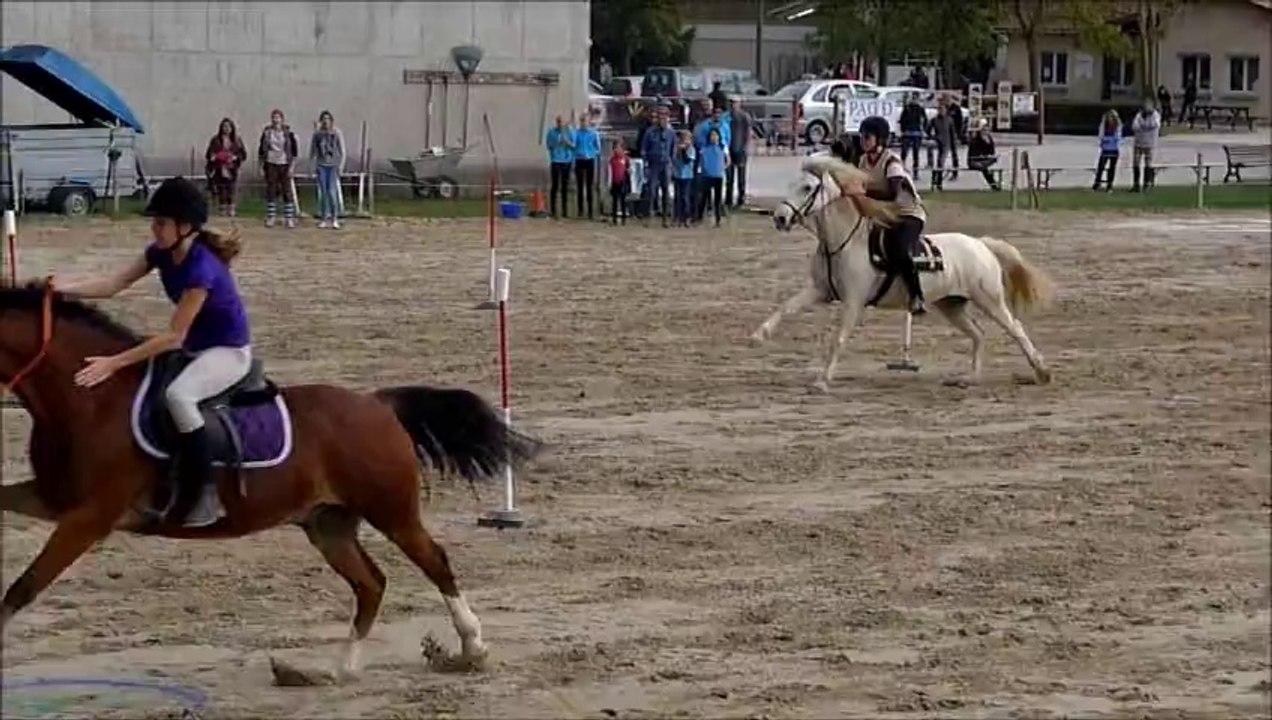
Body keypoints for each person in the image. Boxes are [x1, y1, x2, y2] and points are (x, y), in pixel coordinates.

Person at [58, 176, 252, 528]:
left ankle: (204, 493)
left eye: (161, 222)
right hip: (195, 348)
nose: (154, 228)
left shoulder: (202, 269)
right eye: (155, 221)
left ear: (185, 227)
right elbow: (112, 285)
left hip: (227, 353)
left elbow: (173, 336)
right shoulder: (159, 253)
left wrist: (113, 363)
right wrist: (60, 291)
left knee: (179, 397)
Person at [843, 116, 928, 315]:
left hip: (909, 215)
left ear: (880, 139)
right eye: (862, 136)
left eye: (867, 137)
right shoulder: (863, 160)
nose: (863, 140)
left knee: (899, 249)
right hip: (885, 215)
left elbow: (892, 193)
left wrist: (861, 192)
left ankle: (916, 295)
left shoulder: (892, 162)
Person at [257, 109, 300, 229]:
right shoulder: (267, 133)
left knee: (286, 190)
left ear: (282, 119)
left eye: (278, 117)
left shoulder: (289, 134)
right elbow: (261, 151)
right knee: (271, 190)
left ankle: (289, 218)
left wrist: (292, 167)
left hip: (284, 163)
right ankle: (271, 217)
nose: (276, 120)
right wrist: (261, 167)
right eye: (274, 117)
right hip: (271, 163)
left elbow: (294, 152)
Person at [309, 110, 346, 229]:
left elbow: (342, 151)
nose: (326, 121)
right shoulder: (318, 134)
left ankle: (335, 218)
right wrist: (312, 166)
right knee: (323, 193)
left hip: (333, 166)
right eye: (323, 119)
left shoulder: (336, 133)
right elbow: (313, 151)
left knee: (332, 192)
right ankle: (324, 217)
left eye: (328, 119)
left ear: (331, 121)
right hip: (321, 165)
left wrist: (341, 166)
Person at [639, 108, 676, 227]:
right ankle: (649, 217)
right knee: (651, 191)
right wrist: (645, 163)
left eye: (664, 116)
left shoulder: (671, 133)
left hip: (666, 164)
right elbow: (644, 149)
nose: (662, 118)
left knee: (666, 192)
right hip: (653, 165)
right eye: (660, 116)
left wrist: (672, 163)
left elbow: (673, 149)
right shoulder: (650, 132)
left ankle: (665, 218)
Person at [204, 118, 247, 218]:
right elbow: (209, 154)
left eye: (228, 127)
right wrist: (214, 157)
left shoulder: (237, 140)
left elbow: (243, 154)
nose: (226, 129)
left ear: (232, 128)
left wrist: (235, 157)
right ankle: (222, 208)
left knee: (231, 188)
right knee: (221, 188)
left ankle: (231, 208)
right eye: (224, 126)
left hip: (231, 168)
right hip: (219, 168)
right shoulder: (215, 140)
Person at [545, 114, 576, 219]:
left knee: (564, 186)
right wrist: (558, 141)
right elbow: (549, 145)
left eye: (561, 122)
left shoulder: (570, 132)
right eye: (558, 121)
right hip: (556, 161)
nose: (560, 124)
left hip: (566, 161)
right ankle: (553, 210)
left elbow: (574, 146)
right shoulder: (552, 132)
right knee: (555, 186)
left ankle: (564, 210)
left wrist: (567, 142)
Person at [725, 97, 754, 208]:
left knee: (741, 176)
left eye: (735, 103)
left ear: (739, 104)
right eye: (731, 103)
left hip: (740, 148)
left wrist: (746, 146)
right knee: (729, 176)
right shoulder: (726, 117)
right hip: (729, 148)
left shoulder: (745, 116)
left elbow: (749, 132)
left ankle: (741, 198)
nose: (733, 105)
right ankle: (728, 199)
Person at [698, 128, 730, 228]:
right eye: (712, 135)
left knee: (718, 199)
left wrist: (722, 168)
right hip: (707, 176)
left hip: (718, 176)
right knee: (704, 198)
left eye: (716, 135)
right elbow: (701, 161)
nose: (714, 137)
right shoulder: (704, 148)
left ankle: (718, 220)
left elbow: (728, 160)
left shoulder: (722, 147)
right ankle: (699, 218)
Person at [573, 113, 601, 220]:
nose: (583, 123)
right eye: (582, 121)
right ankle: (580, 210)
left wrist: (591, 154)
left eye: (585, 121)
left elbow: (598, 148)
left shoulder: (593, 134)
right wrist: (576, 155)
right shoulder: (577, 133)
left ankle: (590, 211)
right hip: (579, 160)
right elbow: (574, 146)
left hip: (589, 160)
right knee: (579, 186)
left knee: (589, 186)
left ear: (588, 122)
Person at [1130, 100, 1161, 192]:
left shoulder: (1155, 115)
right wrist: (1143, 124)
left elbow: (1155, 125)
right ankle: (1136, 184)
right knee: (1136, 163)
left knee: (1148, 163)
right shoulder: (1139, 115)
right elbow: (1135, 126)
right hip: (1138, 143)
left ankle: (1147, 183)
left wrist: (1144, 124)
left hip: (1150, 143)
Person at [965, 118, 1001, 191]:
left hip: (984, 160)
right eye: (984, 130)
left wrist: (989, 155)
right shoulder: (975, 140)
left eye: (987, 130)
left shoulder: (989, 139)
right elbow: (973, 154)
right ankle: (993, 185)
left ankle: (993, 184)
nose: (985, 132)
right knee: (984, 168)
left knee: (991, 162)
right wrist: (981, 156)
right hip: (974, 161)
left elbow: (992, 152)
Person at [672, 130, 697, 227]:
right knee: (677, 197)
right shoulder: (676, 149)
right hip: (678, 175)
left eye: (686, 138)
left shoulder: (691, 149)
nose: (683, 140)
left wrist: (683, 150)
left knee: (685, 198)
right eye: (682, 138)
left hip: (687, 176)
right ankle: (677, 217)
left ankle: (687, 218)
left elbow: (687, 160)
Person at [1094, 109, 1122, 192]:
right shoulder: (1104, 125)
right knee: (1101, 166)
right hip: (1105, 149)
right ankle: (1097, 183)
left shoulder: (1118, 126)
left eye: (1112, 117)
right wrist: (1105, 140)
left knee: (1112, 167)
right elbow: (1101, 136)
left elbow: (1118, 137)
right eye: (1108, 117)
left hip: (1114, 149)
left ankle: (1110, 185)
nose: (1110, 119)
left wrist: (1109, 140)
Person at [607, 139, 631, 225]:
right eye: (615, 148)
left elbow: (629, 170)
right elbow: (609, 172)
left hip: (622, 181)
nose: (617, 150)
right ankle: (614, 218)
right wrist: (609, 183)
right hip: (614, 182)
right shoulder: (612, 159)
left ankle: (624, 218)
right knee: (615, 201)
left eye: (619, 148)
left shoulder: (626, 159)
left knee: (623, 201)